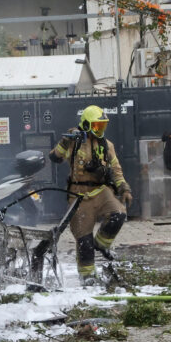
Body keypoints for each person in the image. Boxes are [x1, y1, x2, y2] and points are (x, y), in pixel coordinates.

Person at [49, 105, 132, 284]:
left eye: (102, 126)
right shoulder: (74, 141)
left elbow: (116, 169)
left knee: (118, 214)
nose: (99, 130)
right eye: (96, 126)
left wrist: (124, 188)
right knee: (83, 239)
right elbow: (55, 157)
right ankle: (87, 276)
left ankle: (101, 244)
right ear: (85, 124)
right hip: (79, 194)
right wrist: (64, 142)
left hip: (101, 190)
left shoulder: (107, 145)